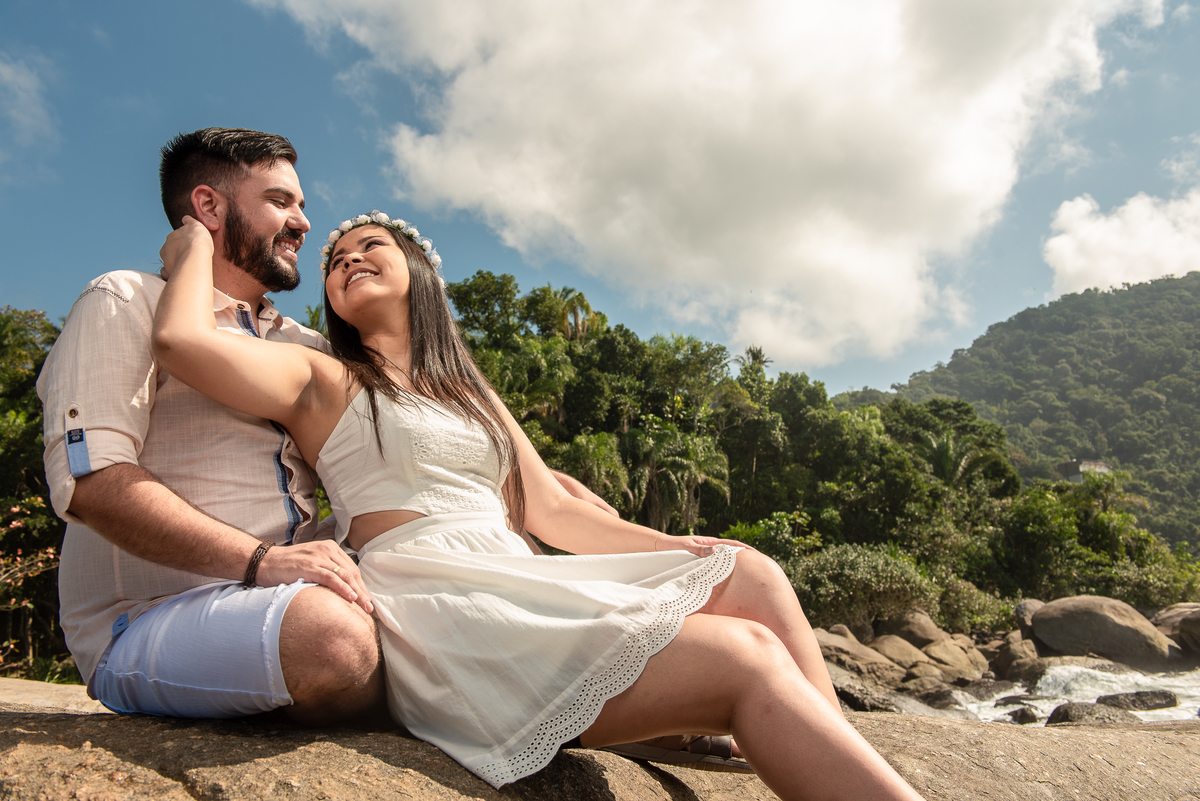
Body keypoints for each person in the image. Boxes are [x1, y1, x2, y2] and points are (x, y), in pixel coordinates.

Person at [150, 200, 926, 800]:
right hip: (441, 598)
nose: (346, 259)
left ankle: (836, 752)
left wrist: (682, 550)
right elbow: (183, 343)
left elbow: (549, 506)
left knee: (750, 569)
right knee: (745, 658)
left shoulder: (467, 388)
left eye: (369, 248)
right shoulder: (322, 378)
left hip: (516, 570)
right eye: (333, 260)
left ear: (420, 269)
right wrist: (189, 252)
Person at [35, 127, 607, 726]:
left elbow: (393, 460)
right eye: (281, 201)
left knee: (507, 576)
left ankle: (633, 706)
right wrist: (260, 562)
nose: (305, 223)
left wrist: (507, 479)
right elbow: (92, 482)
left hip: (295, 588)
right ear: (207, 207)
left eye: (302, 205)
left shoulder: (307, 349)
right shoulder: (125, 300)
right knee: (335, 641)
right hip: (151, 616)